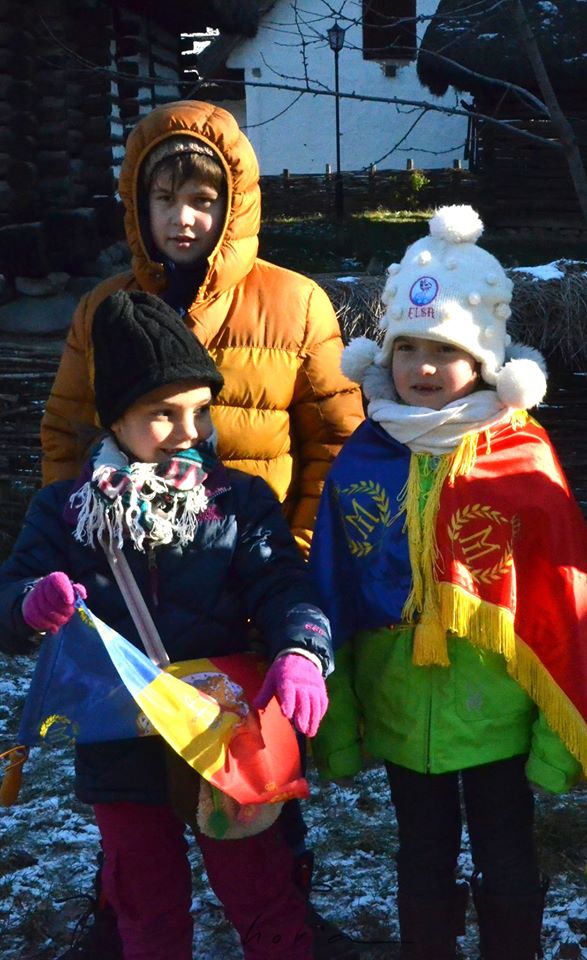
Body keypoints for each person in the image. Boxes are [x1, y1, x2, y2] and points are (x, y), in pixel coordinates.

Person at [39, 100, 364, 959]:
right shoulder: (105, 307)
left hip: (249, 568)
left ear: (234, 204)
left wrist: (295, 563)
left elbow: (333, 442)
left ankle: (286, 913)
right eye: (163, 199)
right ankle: (122, 921)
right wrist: (77, 554)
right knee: (134, 801)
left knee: (253, 783)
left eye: (203, 200)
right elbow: (66, 433)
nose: (183, 219)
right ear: (136, 204)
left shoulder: (292, 303)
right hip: (132, 601)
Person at [0, 289, 334, 960]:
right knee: (143, 901)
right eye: (163, 413)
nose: (190, 432)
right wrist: (29, 604)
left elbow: (283, 585)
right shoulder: (66, 511)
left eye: (200, 410)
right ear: (115, 418)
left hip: (224, 730)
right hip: (119, 741)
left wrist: (301, 649)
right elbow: (10, 597)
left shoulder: (237, 501)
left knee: (260, 889)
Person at [309, 205, 587, 960]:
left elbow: (559, 603)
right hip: (401, 710)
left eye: (445, 350)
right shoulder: (366, 455)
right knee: (421, 850)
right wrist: (340, 718)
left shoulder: (520, 457)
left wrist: (555, 735)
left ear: (485, 362)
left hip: (498, 714)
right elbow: (333, 585)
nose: (423, 367)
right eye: (407, 348)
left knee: (507, 846)